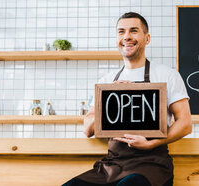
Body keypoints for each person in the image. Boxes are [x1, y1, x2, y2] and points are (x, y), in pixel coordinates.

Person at [63, 12, 192, 186]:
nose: (127, 37)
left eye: (133, 31)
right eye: (121, 31)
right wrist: (110, 98)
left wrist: (151, 143)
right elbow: (88, 129)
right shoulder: (107, 81)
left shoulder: (167, 75)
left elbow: (185, 124)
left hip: (151, 164)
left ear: (147, 38)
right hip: (112, 165)